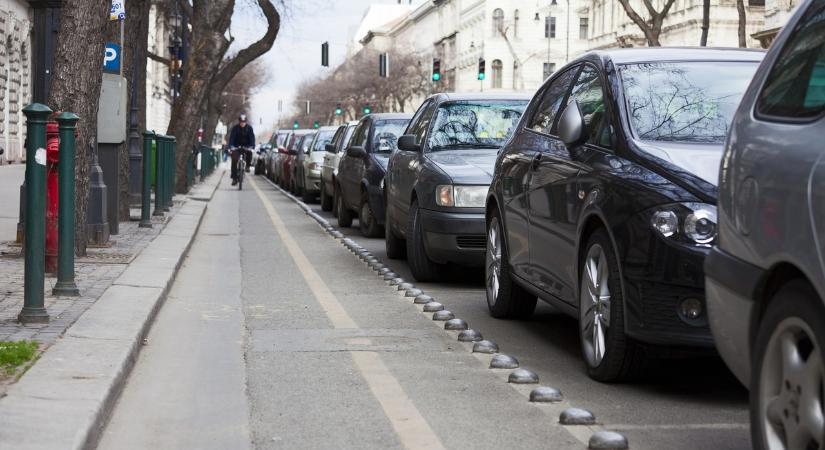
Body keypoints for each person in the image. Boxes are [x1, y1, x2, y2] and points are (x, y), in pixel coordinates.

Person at [228, 114, 256, 185]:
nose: (242, 123)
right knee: (234, 160)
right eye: (241, 122)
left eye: (244, 122)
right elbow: (232, 138)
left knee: (249, 153)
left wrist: (252, 146)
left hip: (246, 146)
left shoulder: (249, 128)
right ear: (239, 121)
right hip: (236, 147)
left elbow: (252, 138)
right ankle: (234, 178)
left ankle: (247, 166)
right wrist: (231, 146)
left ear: (246, 122)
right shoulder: (235, 128)